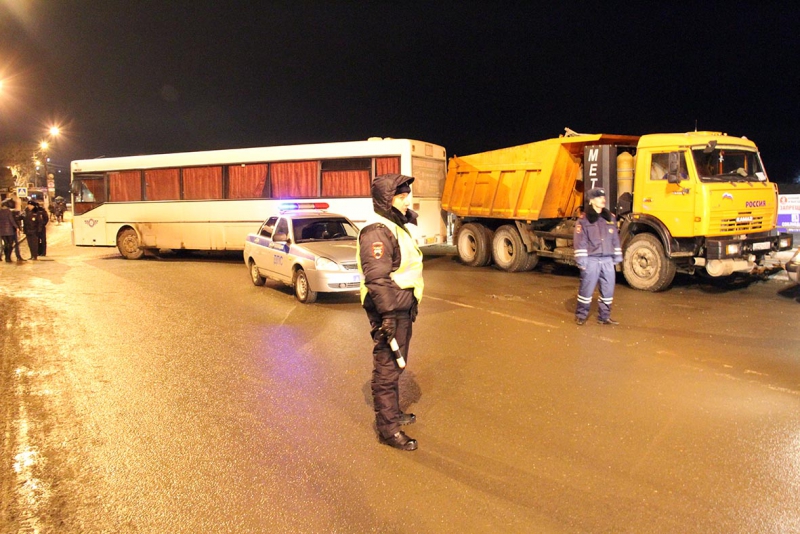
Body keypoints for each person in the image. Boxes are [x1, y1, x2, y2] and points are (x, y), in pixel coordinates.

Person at [357, 173, 424, 451]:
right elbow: (376, 277)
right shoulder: (377, 231)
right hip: (390, 310)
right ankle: (388, 430)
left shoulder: (394, 225)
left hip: (399, 307)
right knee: (386, 368)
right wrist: (387, 315)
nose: (407, 201)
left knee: (395, 365)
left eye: (406, 195)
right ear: (386, 200)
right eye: (401, 197)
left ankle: (393, 414)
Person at [573, 187, 622, 325]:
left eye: (603, 197)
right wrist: (582, 261)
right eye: (599, 197)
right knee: (586, 289)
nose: (603, 200)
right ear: (592, 201)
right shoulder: (584, 220)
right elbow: (580, 241)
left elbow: (615, 238)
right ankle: (581, 315)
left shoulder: (610, 217)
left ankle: (604, 317)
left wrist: (617, 256)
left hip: (607, 260)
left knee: (608, 290)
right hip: (591, 260)